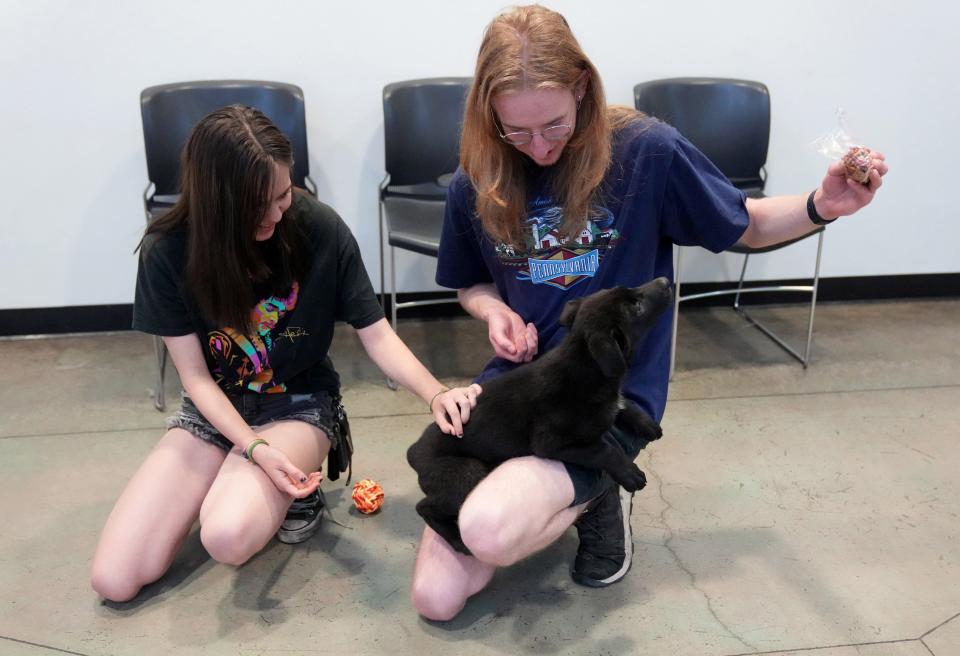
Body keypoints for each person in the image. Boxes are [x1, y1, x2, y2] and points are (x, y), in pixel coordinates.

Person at [410, 4, 888, 621]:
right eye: (516, 132)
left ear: (583, 86)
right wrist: (492, 310)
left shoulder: (645, 152)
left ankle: (601, 491)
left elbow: (748, 224)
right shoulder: (479, 175)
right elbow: (469, 282)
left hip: (608, 396)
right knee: (435, 599)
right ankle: (563, 487)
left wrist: (824, 204)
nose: (539, 148)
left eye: (553, 125)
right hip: (521, 389)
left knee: (489, 528)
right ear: (489, 114)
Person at [90, 105, 480, 603]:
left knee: (226, 535)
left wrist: (434, 393)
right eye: (262, 204)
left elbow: (376, 333)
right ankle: (229, 473)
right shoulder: (168, 251)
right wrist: (251, 448)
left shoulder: (316, 227)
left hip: (296, 404)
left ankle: (284, 491)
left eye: (284, 192)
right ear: (219, 206)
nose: (279, 212)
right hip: (215, 410)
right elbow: (197, 378)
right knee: (115, 580)